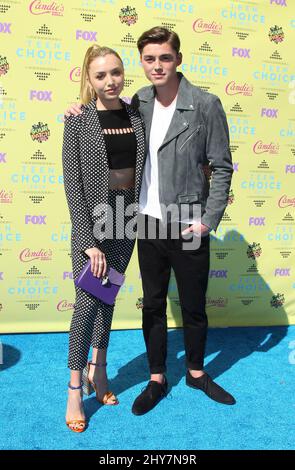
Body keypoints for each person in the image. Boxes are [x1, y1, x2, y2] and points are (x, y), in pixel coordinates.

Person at [64, 27, 236, 417]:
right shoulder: (138, 102)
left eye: (165, 57)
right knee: (153, 304)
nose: (157, 65)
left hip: (188, 220)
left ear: (178, 58)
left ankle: (195, 371)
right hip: (143, 222)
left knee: (193, 305)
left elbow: (222, 167)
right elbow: (99, 126)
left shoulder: (206, 104)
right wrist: (78, 109)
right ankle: (156, 377)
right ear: (142, 62)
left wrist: (208, 220)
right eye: (149, 59)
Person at [62, 44, 145, 432]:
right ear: (88, 80)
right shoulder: (77, 121)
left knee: (107, 297)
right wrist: (87, 241)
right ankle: (75, 389)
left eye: (115, 72)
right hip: (93, 227)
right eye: (100, 75)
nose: (110, 81)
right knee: (86, 304)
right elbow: (73, 186)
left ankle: (101, 370)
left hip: (125, 222)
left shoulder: (135, 114)